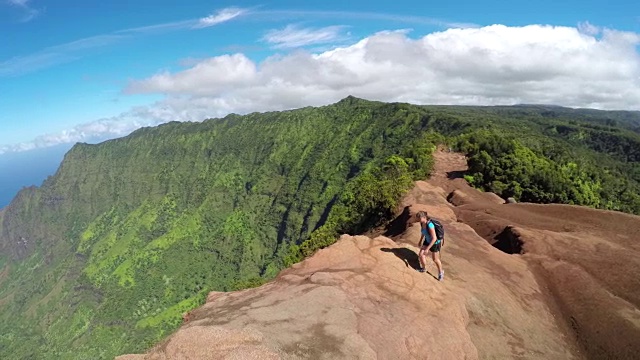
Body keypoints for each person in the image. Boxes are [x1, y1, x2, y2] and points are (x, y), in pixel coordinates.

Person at [416, 211, 444, 281]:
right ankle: (423, 268)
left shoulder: (430, 225)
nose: (418, 220)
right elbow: (423, 233)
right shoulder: (422, 223)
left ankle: (441, 272)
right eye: (418, 218)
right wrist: (420, 241)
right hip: (427, 241)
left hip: (434, 243)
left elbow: (434, 238)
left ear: (424, 217)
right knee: (421, 254)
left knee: (435, 259)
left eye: (419, 218)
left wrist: (427, 249)